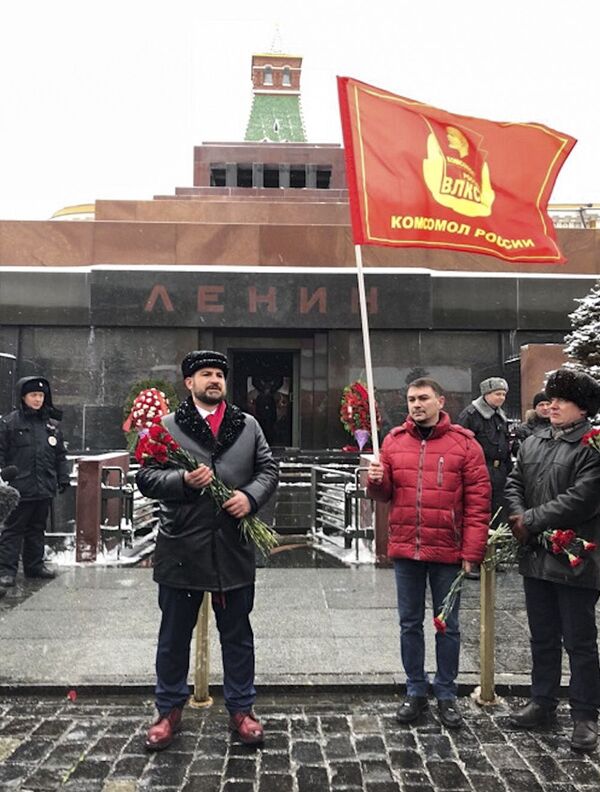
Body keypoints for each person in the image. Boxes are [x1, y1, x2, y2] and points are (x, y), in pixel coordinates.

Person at [137, 350, 279, 751]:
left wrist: (250, 499)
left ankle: (241, 709)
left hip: (232, 546)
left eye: (219, 374)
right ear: (189, 383)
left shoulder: (247, 425)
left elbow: (269, 469)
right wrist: (182, 480)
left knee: (237, 634)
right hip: (183, 545)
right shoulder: (166, 427)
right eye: (205, 375)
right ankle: (167, 710)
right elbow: (145, 476)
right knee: (173, 635)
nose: (213, 380)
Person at [367, 378, 490, 728]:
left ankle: (447, 693)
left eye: (423, 398)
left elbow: (478, 504)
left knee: (447, 626)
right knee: (409, 625)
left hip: (447, 552)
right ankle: (415, 689)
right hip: (407, 549)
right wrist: (375, 479)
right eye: (410, 399)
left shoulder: (464, 445)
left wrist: (472, 551)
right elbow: (383, 494)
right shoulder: (393, 441)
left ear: (440, 400)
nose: (416, 405)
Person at [505, 367, 600, 753]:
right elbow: (515, 483)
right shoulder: (534, 440)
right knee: (542, 635)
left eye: (563, 400)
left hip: (575, 558)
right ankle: (542, 701)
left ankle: (585, 715)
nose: (553, 405)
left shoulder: (592, 446)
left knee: (579, 640)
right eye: (551, 398)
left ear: (583, 408)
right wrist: (518, 515)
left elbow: (583, 498)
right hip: (536, 555)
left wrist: (528, 520)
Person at [0, 377, 69, 587]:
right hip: (18, 488)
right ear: (23, 397)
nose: (38, 399)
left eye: (41, 395)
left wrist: (63, 476)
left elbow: (60, 455)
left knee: (37, 529)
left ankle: (34, 565)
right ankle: (6, 571)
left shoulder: (51, 425)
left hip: (43, 486)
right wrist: (3, 477)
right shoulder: (10, 423)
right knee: (13, 530)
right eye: (33, 395)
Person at [457, 377, 511, 578]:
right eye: (498, 393)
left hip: (499, 472)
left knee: (497, 515)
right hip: (479, 470)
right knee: (478, 515)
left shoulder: (500, 416)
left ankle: (491, 558)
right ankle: (473, 561)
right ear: (486, 394)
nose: (501, 398)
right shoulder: (471, 415)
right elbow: (462, 444)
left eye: (504, 394)